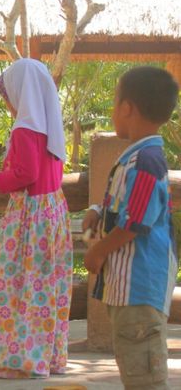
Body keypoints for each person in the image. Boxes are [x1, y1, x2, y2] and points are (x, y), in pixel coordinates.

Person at [83, 66, 179, 390]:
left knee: (145, 380)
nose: (113, 111)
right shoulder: (136, 158)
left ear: (127, 108)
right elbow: (125, 205)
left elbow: (134, 222)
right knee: (135, 372)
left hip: (138, 291)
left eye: (114, 103)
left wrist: (97, 252)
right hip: (128, 291)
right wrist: (97, 211)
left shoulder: (145, 162)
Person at [0, 58, 72, 379]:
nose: (7, 104)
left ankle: (21, 357)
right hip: (53, 210)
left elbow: (26, 174)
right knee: (46, 285)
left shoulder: (25, 129)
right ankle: (47, 355)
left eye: (7, 96)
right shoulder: (50, 126)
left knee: (22, 283)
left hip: (31, 216)